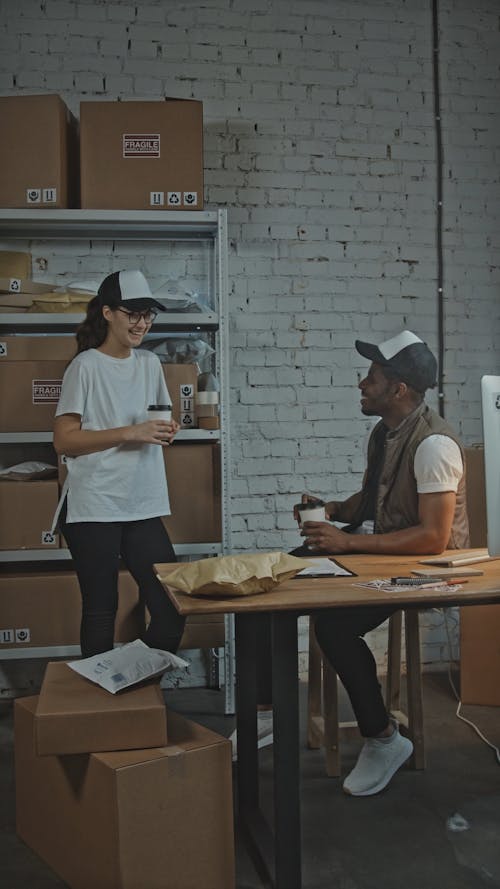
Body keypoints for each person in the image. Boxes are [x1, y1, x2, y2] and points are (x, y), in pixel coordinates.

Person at [295, 330, 469, 796]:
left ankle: (383, 738)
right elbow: (375, 501)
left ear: (399, 389)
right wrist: (332, 511)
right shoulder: (385, 432)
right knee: (285, 572)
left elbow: (434, 539)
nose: (361, 384)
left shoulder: (434, 445)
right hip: (393, 554)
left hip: (428, 573)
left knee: (334, 627)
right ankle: (266, 716)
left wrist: (347, 546)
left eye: (371, 377)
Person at [53, 269, 186, 658]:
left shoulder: (148, 364)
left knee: (171, 607)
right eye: (133, 313)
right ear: (108, 313)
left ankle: (130, 680)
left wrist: (165, 430)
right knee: (100, 611)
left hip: (142, 503)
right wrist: (129, 433)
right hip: (94, 504)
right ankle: (102, 708)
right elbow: (64, 441)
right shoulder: (85, 366)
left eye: (148, 315)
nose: (142, 323)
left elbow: (156, 423)